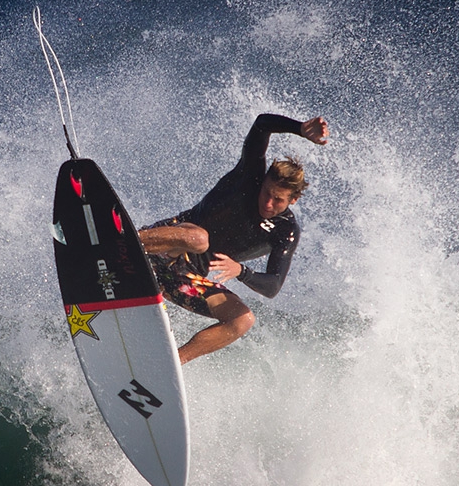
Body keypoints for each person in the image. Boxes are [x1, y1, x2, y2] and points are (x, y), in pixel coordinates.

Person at [139, 114, 329, 364]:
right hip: (163, 246)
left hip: (183, 277)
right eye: (267, 193)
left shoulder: (286, 231)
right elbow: (262, 124)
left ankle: (169, 365)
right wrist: (299, 129)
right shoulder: (248, 177)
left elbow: (273, 286)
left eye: (279, 200)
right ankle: (119, 241)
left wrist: (241, 271)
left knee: (243, 319)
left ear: (293, 200)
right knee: (199, 239)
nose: (268, 203)